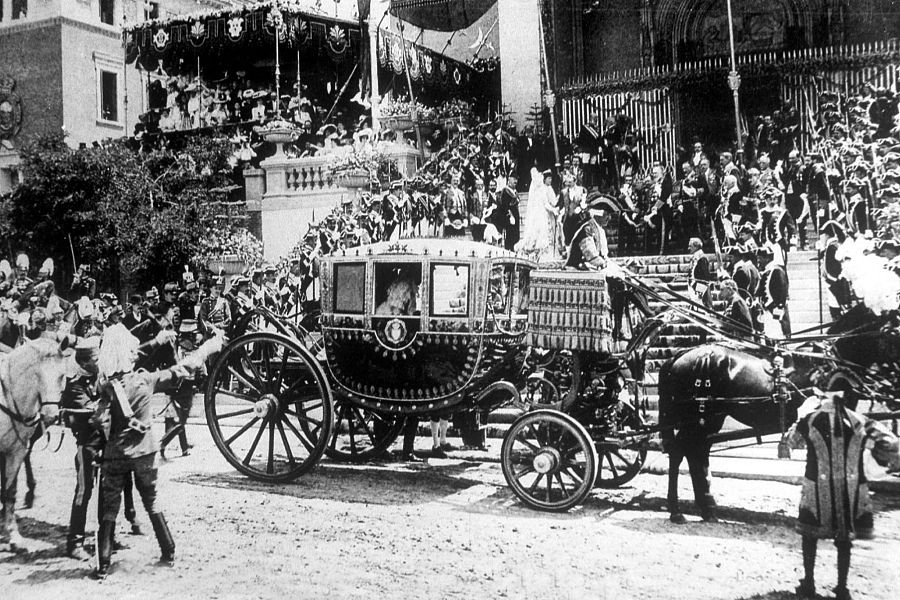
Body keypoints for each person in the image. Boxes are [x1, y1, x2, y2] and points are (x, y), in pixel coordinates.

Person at [91, 323, 223, 578]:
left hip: (116, 454)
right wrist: (209, 347)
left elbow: (98, 420)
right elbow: (184, 368)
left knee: (109, 507)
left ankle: (103, 564)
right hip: (145, 452)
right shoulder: (145, 380)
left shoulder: (108, 387)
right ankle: (168, 550)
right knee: (151, 500)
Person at [786, 391, 900, 600]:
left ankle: (809, 583)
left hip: (816, 488)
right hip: (850, 488)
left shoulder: (809, 420)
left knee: (809, 535)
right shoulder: (859, 421)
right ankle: (842, 588)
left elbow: (790, 443)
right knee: (844, 537)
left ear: (822, 397)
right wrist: (875, 452)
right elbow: (891, 444)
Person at [516, 168, 562, 262]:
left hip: (544, 214)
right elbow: (545, 204)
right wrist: (553, 209)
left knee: (546, 234)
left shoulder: (546, 189)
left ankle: (545, 255)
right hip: (539, 215)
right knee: (538, 234)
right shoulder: (538, 191)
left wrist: (555, 206)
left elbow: (550, 202)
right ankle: (537, 255)